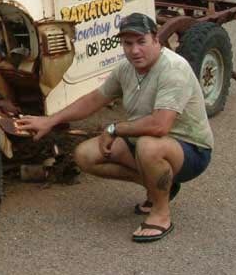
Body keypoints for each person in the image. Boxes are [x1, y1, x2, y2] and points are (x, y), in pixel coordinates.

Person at [15, 12, 213, 243]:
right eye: (128, 43)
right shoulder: (126, 69)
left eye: (141, 42)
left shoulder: (173, 69)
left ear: (156, 40)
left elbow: (160, 125)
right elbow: (94, 99)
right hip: (147, 141)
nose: (135, 50)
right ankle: (159, 185)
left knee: (149, 147)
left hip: (191, 149)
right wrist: (49, 121)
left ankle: (161, 213)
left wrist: (114, 129)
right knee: (86, 155)